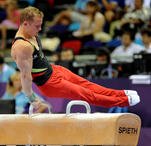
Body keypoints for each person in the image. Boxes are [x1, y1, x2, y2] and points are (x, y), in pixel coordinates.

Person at [11, 6, 140, 109]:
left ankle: (121, 94)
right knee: (86, 94)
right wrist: (31, 97)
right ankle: (123, 101)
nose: (40, 29)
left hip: (54, 70)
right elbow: (25, 76)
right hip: (49, 84)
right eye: (37, 26)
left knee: (89, 85)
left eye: (40, 25)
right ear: (25, 24)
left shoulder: (31, 33)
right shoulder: (22, 46)